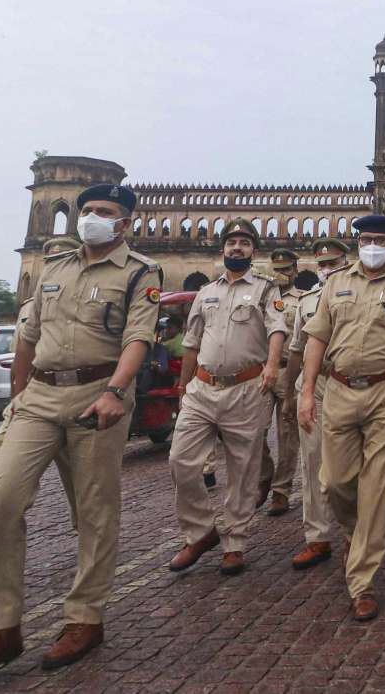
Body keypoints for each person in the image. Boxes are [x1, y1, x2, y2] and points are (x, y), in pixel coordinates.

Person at [0, 186, 160, 683]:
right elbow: (27, 336)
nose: (93, 218)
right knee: (0, 502)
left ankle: (85, 617)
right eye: (88, 210)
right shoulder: (54, 267)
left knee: (94, 511)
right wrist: (18, 397)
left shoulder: (139, 272)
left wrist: (117, 391)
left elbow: (138, 338)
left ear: (126, 223)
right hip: (40, 399)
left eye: (106, 213)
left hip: (99, 394)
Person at [297, 215, 385, 621]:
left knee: (375, 486)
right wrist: (306, 393)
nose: (372, 245)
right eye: (366, 239)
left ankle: (361, 580)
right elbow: (316, 339)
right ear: (358, 242)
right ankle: (357, 538)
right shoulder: (335, 283)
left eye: (380, 239)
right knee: (335, 481)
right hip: (339, 389)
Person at [0, 237, 82, 603]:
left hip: (78, 403)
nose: (53, 263)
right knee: (3, 487)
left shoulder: (83, 298)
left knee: (85, 491)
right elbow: (22, 356)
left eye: (61, 257)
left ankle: (92, 549)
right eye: (49, 258)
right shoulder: (31, 305)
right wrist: (17, 400)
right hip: (33, 406)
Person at [167, 219, 286, 578]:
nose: (237, 248)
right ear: (222, 248)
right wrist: (183, 385)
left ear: (253, 251)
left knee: (242, 469)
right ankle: (201, 532)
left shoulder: (267, 289)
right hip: (202, 387)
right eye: (232, 242)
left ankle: (234, 542)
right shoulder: (205, 292)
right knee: (180, 461)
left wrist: (271, 367)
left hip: (246, 388)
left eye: (244, 243)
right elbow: (191, 342)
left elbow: (277, 329)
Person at [283, 237, 351, 570]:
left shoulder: (358, 294)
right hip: (314, 383)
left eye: (333, 264)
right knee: (311, 463)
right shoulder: (308, 301)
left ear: (346, 263)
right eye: (322, 265)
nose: (327, 270)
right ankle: (318, 537)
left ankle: (354, 532)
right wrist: (289, 393)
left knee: (349, 463)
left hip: (348, 382)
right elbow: (297, 349)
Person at [257, 248, 303, 516]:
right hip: (261, 371)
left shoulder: (302, 300)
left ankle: (281, 490)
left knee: (288, 435)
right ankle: (265, 473)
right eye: (277, 269)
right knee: (253, 431)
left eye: (286, 269)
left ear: (295, 271)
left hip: (289, 371)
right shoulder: (260, 298)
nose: (282, 274)